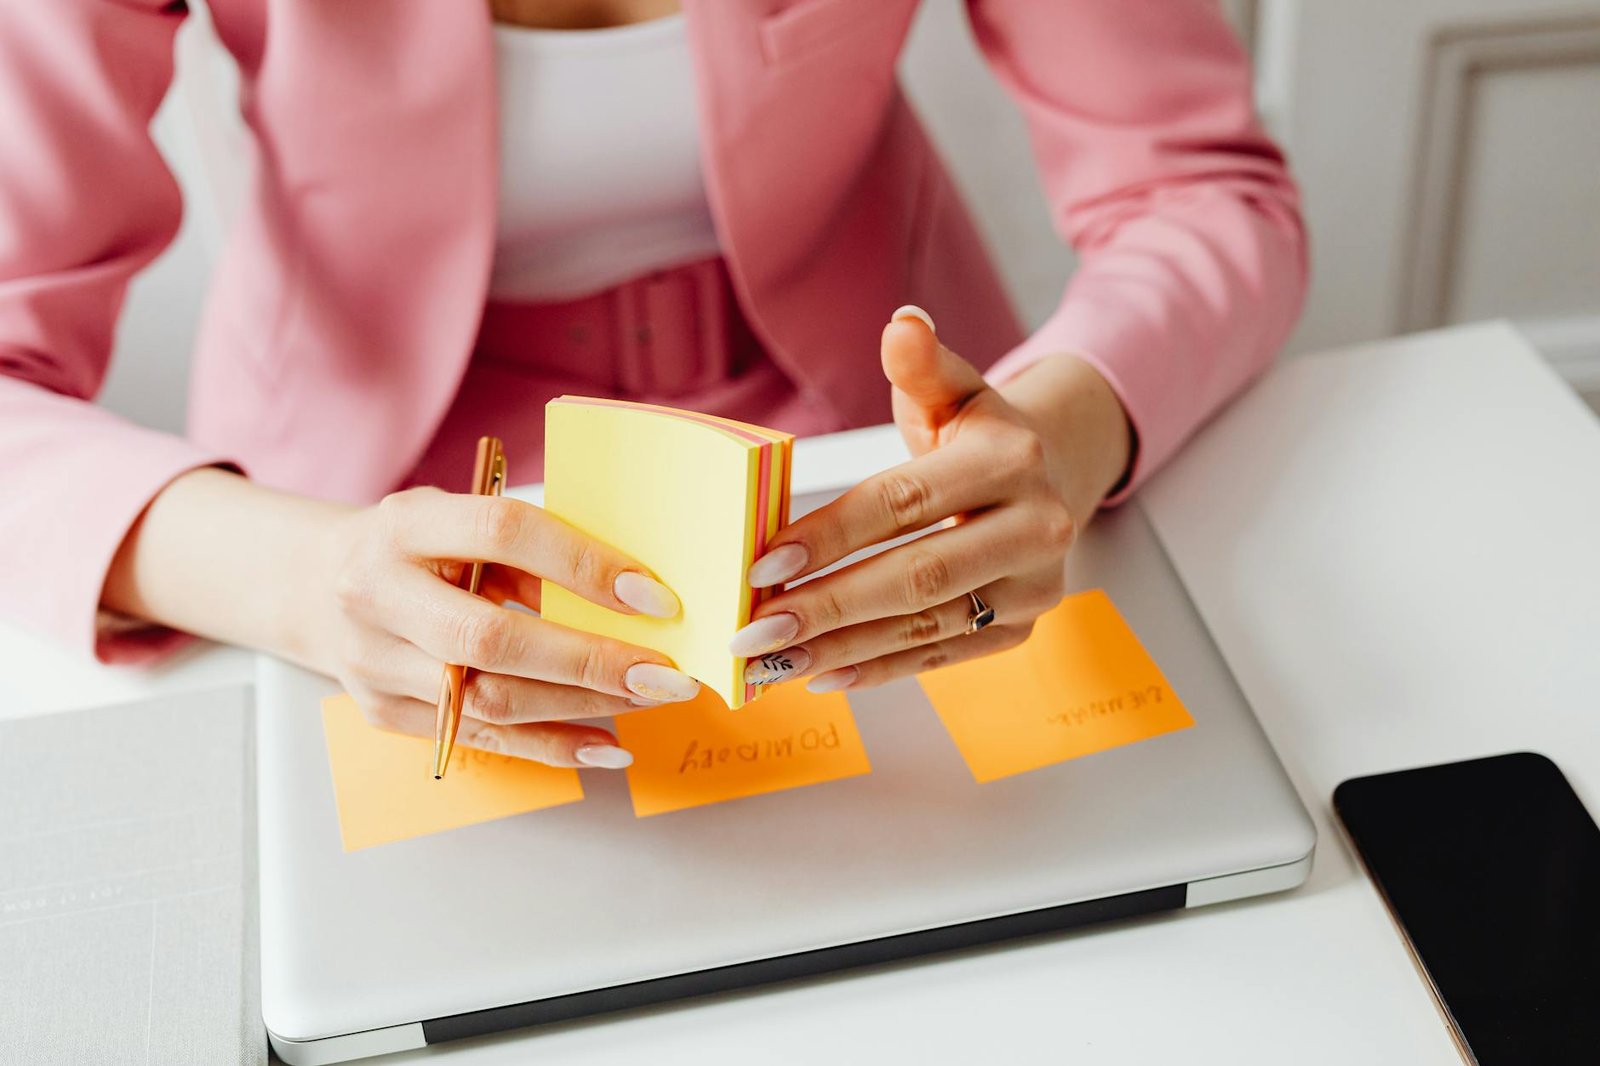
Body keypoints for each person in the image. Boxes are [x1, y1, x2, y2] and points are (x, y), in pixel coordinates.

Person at [0, 0, 1306, 770]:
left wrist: (1061, 438)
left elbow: (1202, 193)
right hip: (356, 515)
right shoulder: (327, 563)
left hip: (883, 474)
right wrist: (304, 579)